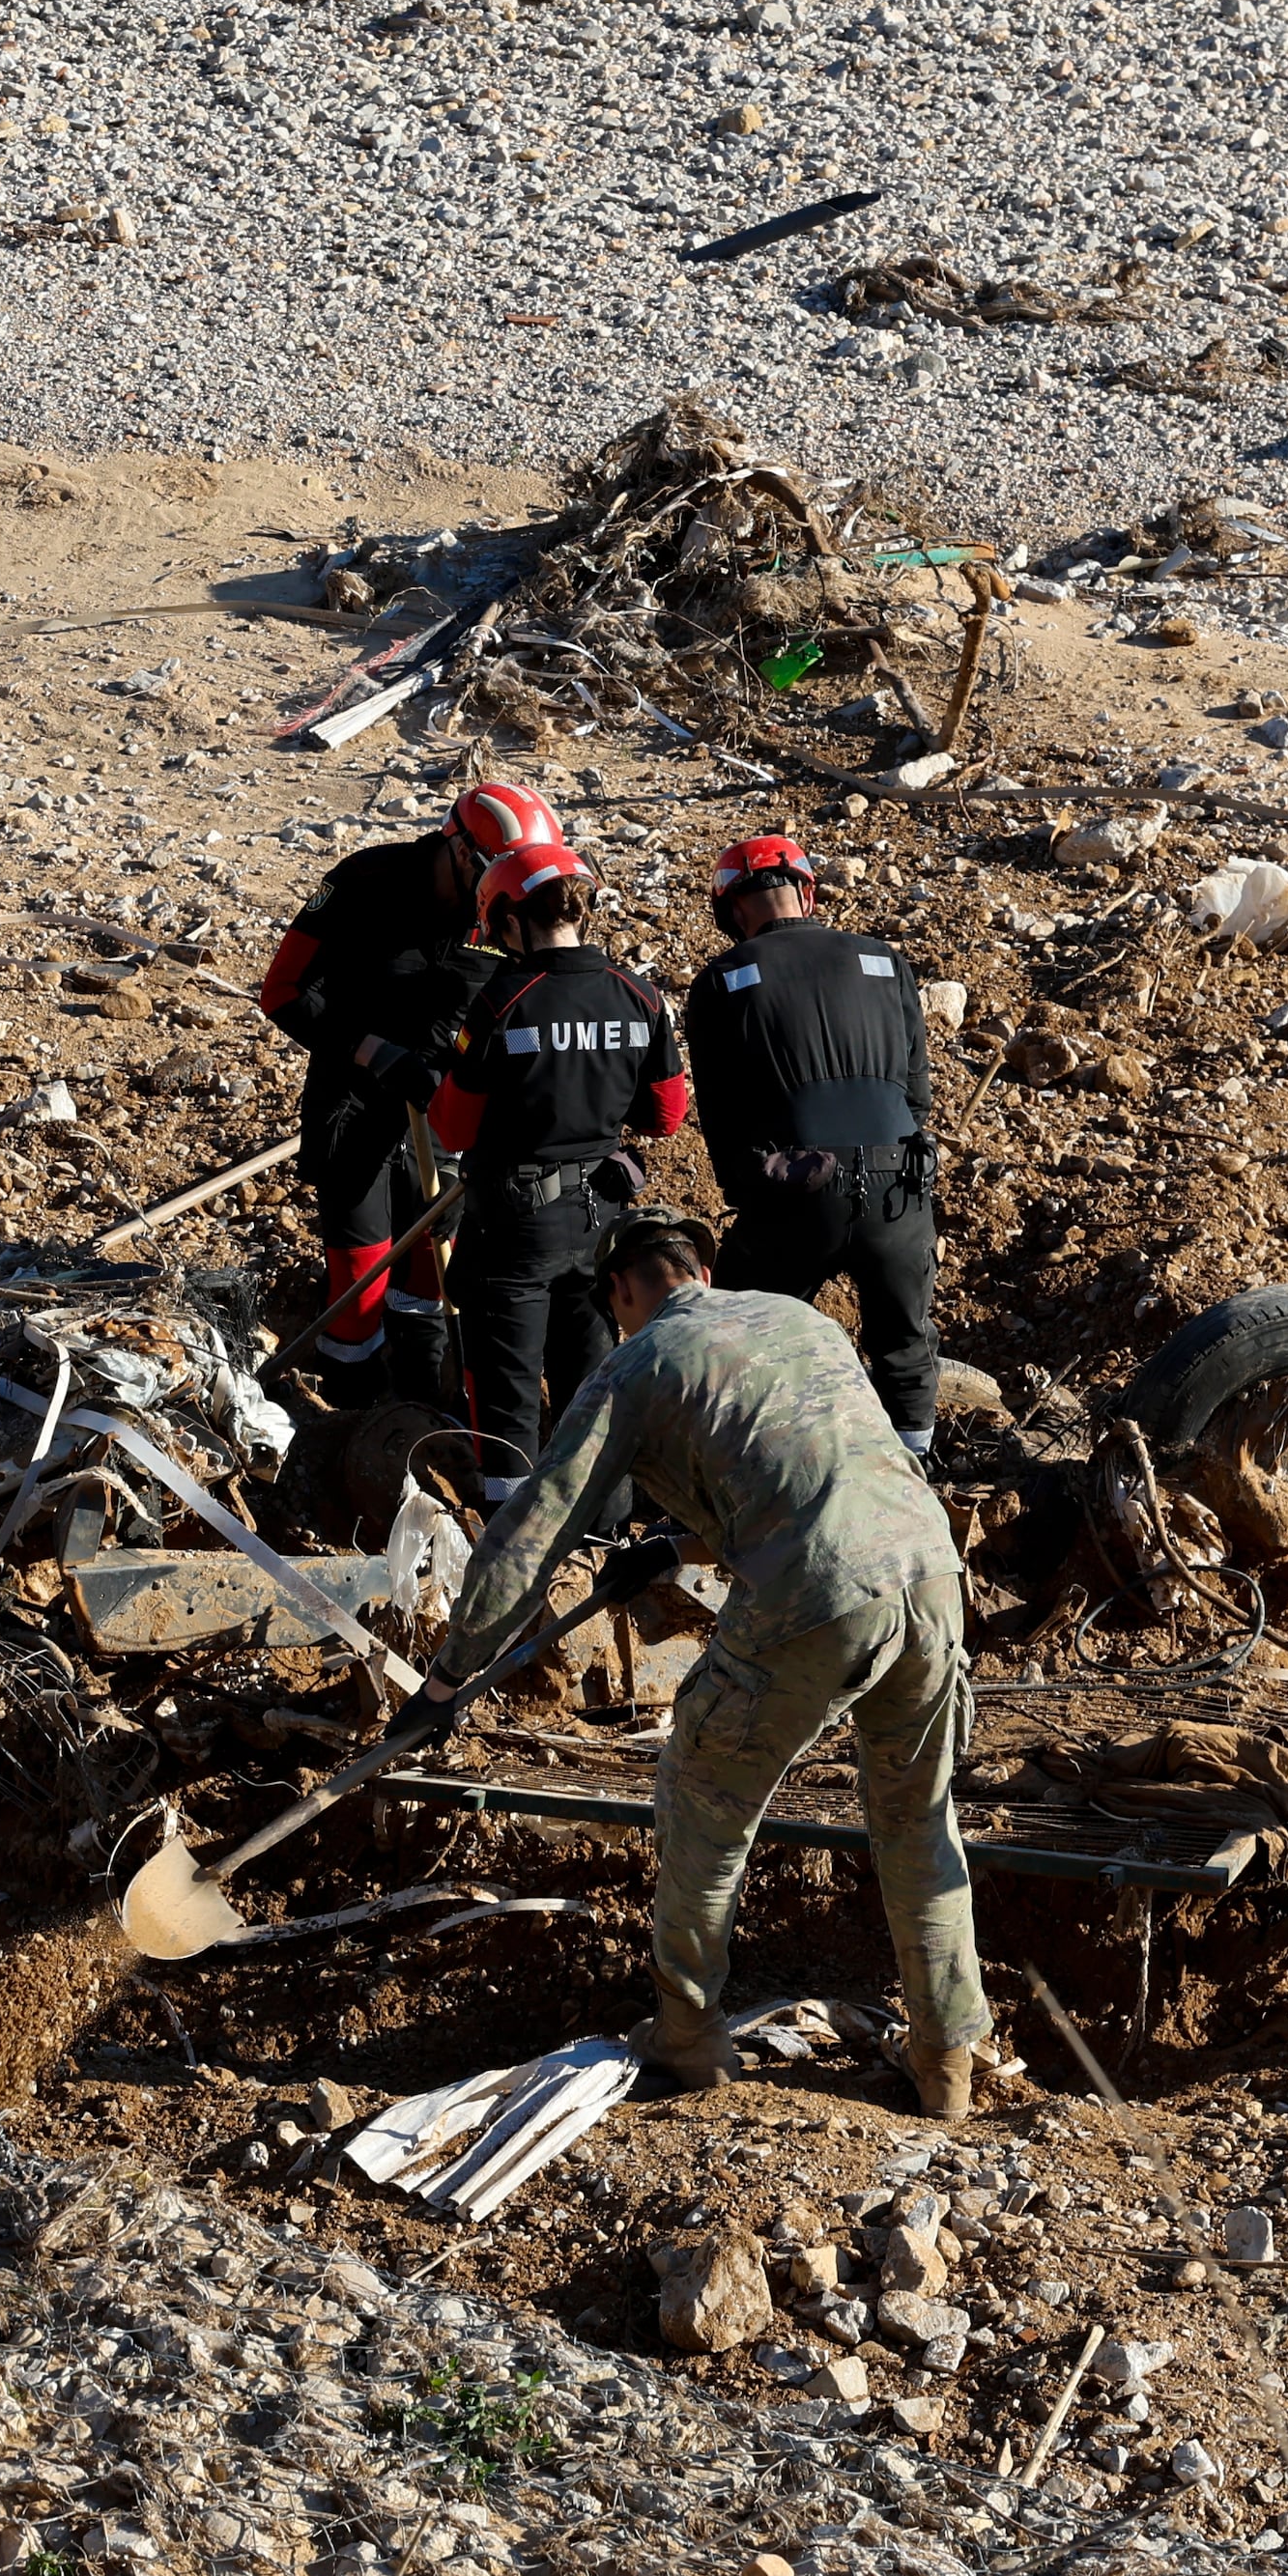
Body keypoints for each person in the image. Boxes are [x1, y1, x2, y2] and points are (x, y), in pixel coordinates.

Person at [436, 1212, 985, 2109]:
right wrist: (680, 1547)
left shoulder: (636, 1363)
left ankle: (689, 2035)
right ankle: (947, 2060)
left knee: (703, 1798)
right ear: (702, 1265)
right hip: (928, 1571)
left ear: (621, 1290)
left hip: (815, 1598)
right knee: (918, 1822)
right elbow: (817, 1468)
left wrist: (449, 1673)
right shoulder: (798, 1318)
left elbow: (527, 1537)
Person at [251, 778, 549, 1405]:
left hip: (444, 1117)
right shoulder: (364, 882)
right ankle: (351, 1419)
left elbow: (523, 1004)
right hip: (354, 1107)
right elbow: (281, 992)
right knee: (359, 1285)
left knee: (431, 1279)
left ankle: (422, 1410)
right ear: (464, 852)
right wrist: (377, 1054)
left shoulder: (505, 911)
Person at [676, 832, 943, 1457]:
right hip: (896, 1188)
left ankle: (759, 1471)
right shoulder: (883, 960)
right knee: (904, 1347)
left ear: (731, 909)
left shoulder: (723, 980)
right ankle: (918, 1482)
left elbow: (722, 1119)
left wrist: (755, 1189)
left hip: (796, 1187)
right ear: (807, 891)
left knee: (742, 1342)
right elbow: (917, 1095)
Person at [427, 840, 684, 1478]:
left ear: (510, 919)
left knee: (506, 1387)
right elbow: (665, 1117)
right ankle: (600, 1528)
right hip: (601, 1219)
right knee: (592, 1383)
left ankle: (508, 1528)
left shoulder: (500, 1002)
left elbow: (452, 1128)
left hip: (515, 1224)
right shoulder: (640, 996)